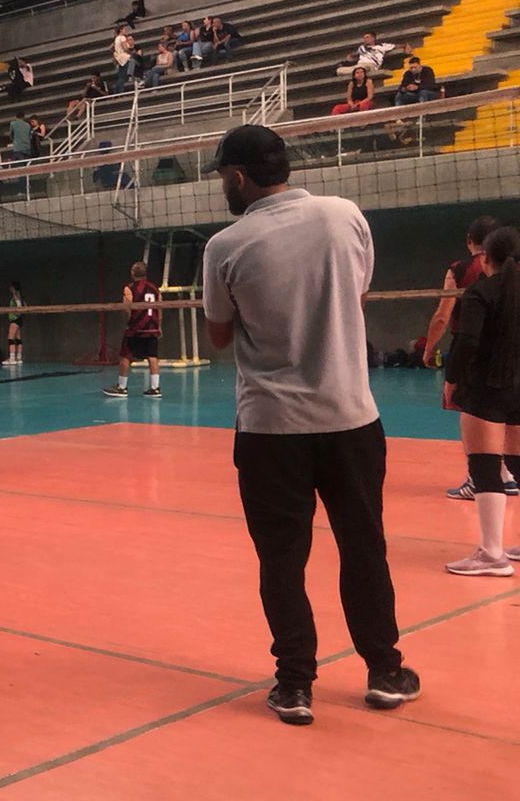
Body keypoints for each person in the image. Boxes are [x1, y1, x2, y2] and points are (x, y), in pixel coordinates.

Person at [201, 124, 419, 726]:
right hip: (350, 418)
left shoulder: (225, 244)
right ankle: (385, 671)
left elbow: (219, 336)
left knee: (282, 559)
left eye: (223, 178)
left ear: (239, 177)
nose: (224, 188)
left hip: (271, 429)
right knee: (364, 547)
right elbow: (358, 294)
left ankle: (295, 685)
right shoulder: (345, 215)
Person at [443, 226, 520, 575]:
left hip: (488, 386)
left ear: (486, 258)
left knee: (485, 466)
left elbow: (467, 340)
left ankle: (492, 554)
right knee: (517, 464)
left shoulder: (480, 292)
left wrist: (452, 380)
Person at [426, 216, 517, 498]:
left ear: (470, 241)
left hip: (477, 356)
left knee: (478, 416)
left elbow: (443, 314)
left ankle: (478, 478)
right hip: (512, 356)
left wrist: (428, 350)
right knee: (509, 418)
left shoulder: (461, 269)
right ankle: (505, 474)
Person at [103, 262, 163, 398]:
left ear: (132, 273)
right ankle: (155, 388)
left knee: (125, 356)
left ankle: (122, 387)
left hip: (136, 328)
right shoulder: (155, 289)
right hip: (152, 328)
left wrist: (130, 323)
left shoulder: (129, 288)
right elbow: (160, 308)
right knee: (152, 356)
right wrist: (158, 326)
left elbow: (127, 308)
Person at [6, 282, 25, 364]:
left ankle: (12, 358)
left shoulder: (16, 296)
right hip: (19, 319)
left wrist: (17, 313)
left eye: (11, 288)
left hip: (15, 319)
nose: (10, 289)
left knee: (10, 337)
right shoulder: (20, 296)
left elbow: (19, 306)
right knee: (18, 338)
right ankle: (19, 357)